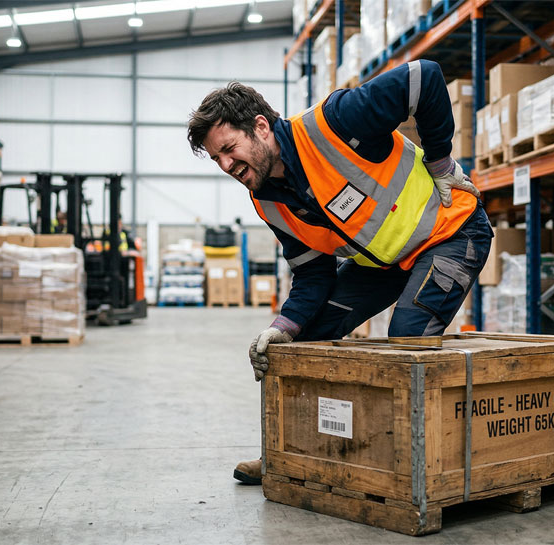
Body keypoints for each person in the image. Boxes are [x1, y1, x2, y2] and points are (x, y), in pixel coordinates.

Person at [187, 60, 494, 485]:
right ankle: (287, 453)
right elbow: (314, 275)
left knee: (407, 340)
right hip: (383, 263)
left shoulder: (333, 124)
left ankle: (417, 465)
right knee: (302, 342)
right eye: (217, 158)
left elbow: (425, 77)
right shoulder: (268, 201)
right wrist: (283, 327)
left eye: (228, 148)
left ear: (260, 127)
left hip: (451, 232)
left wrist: (440, 163)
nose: (225, 165)